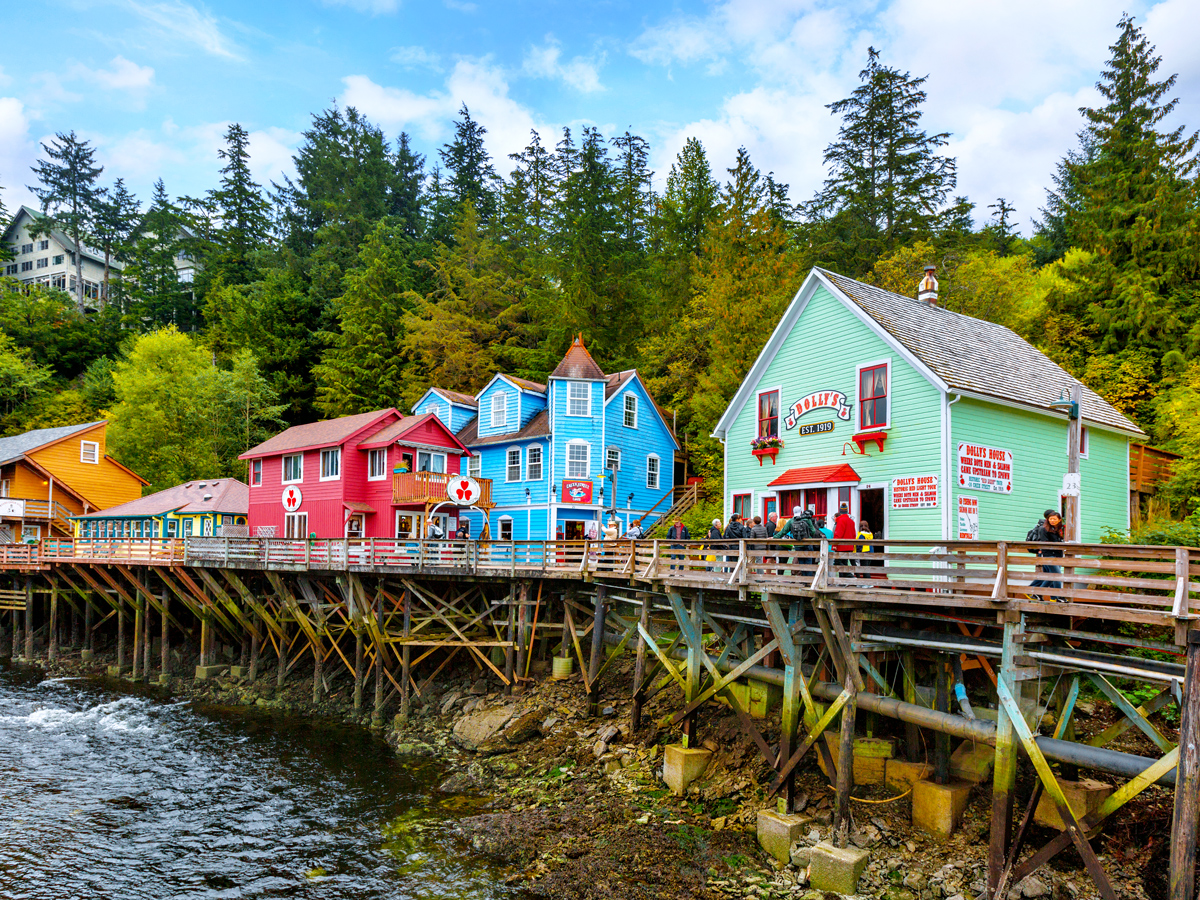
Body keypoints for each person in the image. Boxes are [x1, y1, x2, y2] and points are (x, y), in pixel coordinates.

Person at [776, 506, 822, 576]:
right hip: (807, 543)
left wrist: (774, 537)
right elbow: (813, 531)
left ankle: (803, 580)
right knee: (808, 563)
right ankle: (808, 581)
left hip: (798, 545)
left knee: (801, 564)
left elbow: (783, 532)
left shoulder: (791, 521)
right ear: (801, 512)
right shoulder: (807, 519)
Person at [1029, 509, 1065, 597]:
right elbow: (1044, 542)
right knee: (1055, 575)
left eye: (1054, 518)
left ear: (1059, 519)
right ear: (1047, 518)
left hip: (1057, 554)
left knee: (1050, 576)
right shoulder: (1043, 528)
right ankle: (1056, 596)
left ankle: (1042, 594)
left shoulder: (1057, 529)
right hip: (1048, 554)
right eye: (1051, 518)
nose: (1052, 520)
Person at [834, 503, 856, 575]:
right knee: (845, 563)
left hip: (841, 546)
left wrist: (835, 545)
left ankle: (848, 578)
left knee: (839, 563)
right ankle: (844, 580)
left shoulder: (840, 521)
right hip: (849, 545)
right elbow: (853, 535)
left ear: (840, 511)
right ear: (847, 511)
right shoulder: (851, 521)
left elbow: (838, 534)